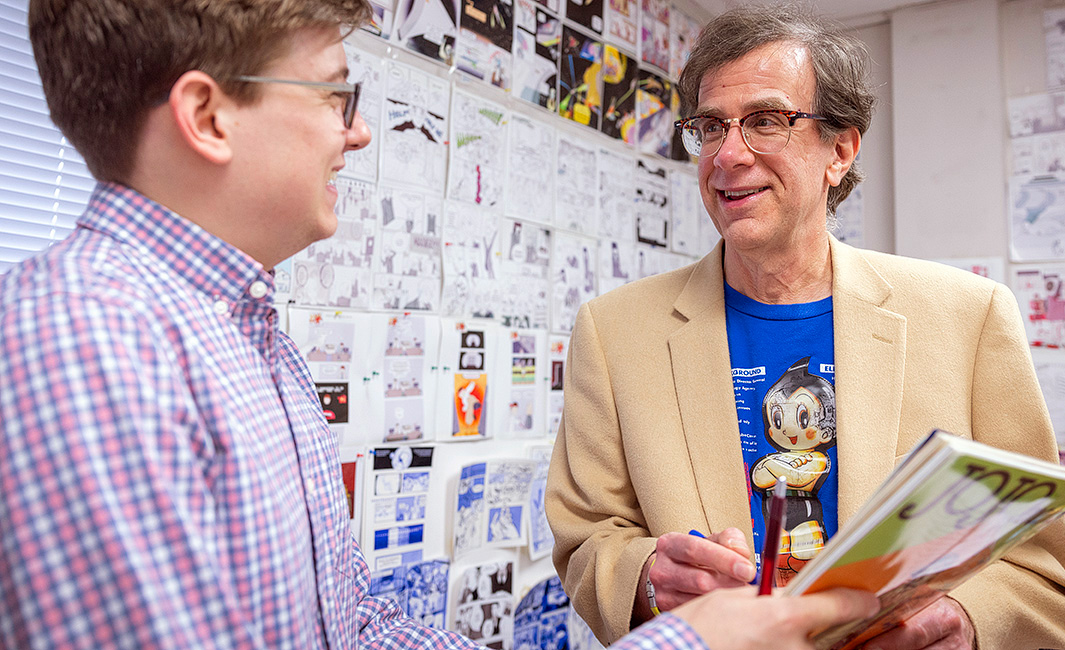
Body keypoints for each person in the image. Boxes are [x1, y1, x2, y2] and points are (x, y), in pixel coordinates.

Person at [1, 1, 880, 649]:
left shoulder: (246, 335)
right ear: (206, 115)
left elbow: (349, 628)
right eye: (334, 98)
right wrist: (694, 641)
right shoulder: (88, 338)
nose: (359, 134)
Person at [546, 4, 1065, 649]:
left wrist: (963, 620)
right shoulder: (614, 331)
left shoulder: (969, 315)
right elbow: (588, 538)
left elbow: (1041, 573)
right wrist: (646, 580)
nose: (727, 156)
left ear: (840, 149)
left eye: (765, 122)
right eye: (709, 128)